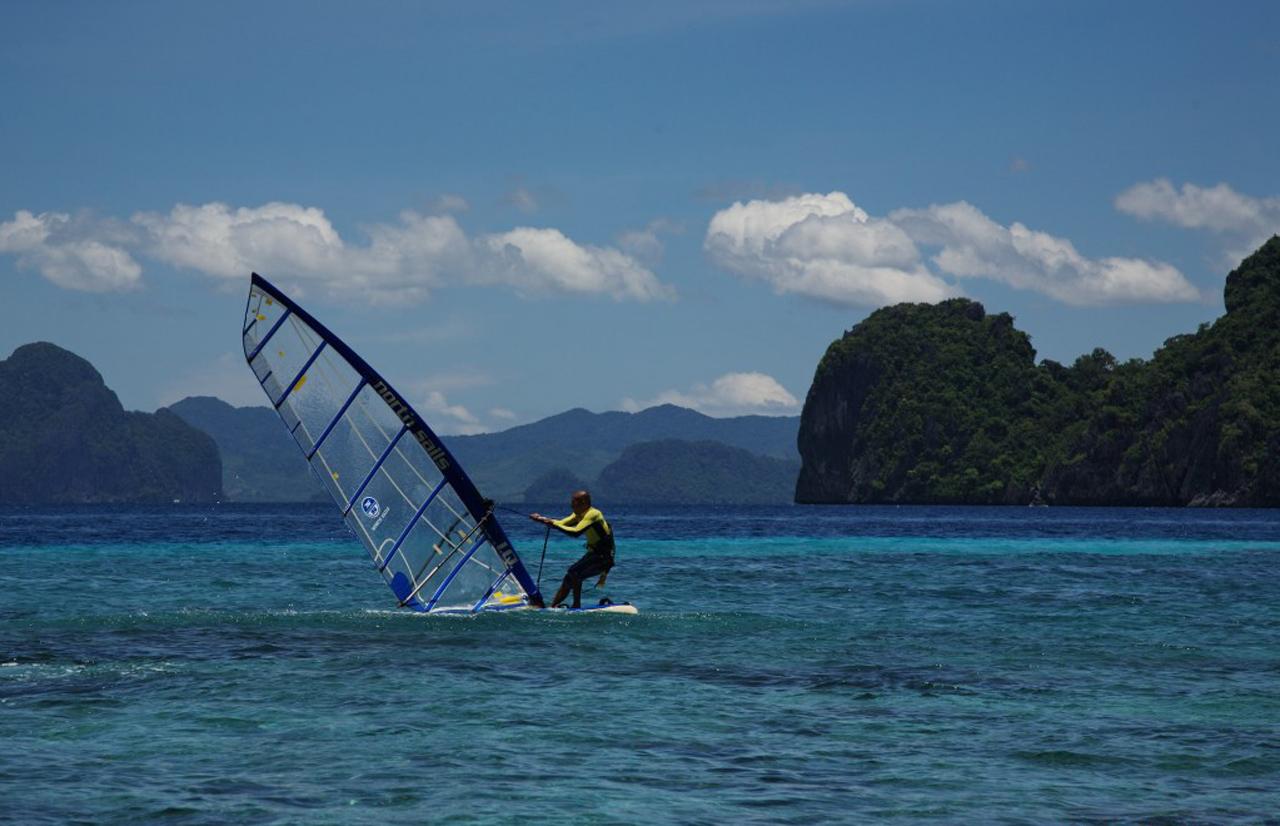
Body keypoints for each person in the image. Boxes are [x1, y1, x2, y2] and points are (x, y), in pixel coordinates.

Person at [530, 489, 615, 609]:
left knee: (575, 573)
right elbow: (561, 523)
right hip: (594, 555)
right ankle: (553, 606)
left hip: (603, 558)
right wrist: (541, 519)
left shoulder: (593, 514)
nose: (571, 505)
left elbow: (576, 532)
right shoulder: (578, 514)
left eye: (574, 503)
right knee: (569, 577)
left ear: (584, 502)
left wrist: (553, 524)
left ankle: (576, 606)